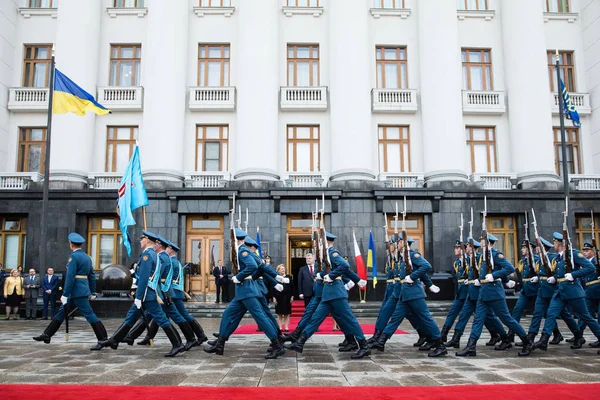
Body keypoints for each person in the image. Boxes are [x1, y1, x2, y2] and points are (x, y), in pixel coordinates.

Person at [99, 231, 185, 357]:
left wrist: (139, 297)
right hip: (146, 293)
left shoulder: (148, 255)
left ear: (147, 240)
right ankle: (114, 340)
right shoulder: (151, 254)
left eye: (142, 239)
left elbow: (144, 277)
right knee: (131, 316)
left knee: (160, 318)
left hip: (147, 294)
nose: (140, 241)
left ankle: (177, 344)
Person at [204, 229, 285, 359]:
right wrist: (277, 278)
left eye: (232, 240)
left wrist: (239, 277)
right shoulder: (243, 252)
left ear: (236, 240)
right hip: (243, 291)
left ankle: (277, 345)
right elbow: (262, 266)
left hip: (247, 291)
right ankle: (220, 344)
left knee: (261, 318)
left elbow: (253, 267)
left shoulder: (242, 251)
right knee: (228, 314)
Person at [288, 232, 371, 359]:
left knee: (349, 319)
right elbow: (344, 270)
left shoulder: (332, 253)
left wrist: (332, 276)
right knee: (315, 318)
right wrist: (357, 280)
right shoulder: (324, 255)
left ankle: (364, 346)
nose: (317, 244)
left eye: (319, 241)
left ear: (325, 242)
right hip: (327, 294)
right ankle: (300, 342)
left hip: (336, 293)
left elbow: (345, 266)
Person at [456, 233, 533, 357]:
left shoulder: (496, 254)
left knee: (507, 319)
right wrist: (479, 280)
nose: (480, 242)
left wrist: (494, 275)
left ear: (487, 242)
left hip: (494, 293)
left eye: (481, 240)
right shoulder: (483, 257)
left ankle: (527, 341)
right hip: (483, 293)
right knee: (478, 320)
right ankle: (471, 346)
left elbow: (509, 268)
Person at [33, 233, 109, 350]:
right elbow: (92, 276)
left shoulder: (73, 257)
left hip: (76, 292)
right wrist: (93, 291)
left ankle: (103, 339)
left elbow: (70, 277)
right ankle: (47, 335)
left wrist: (65, 294)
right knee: (61, 313)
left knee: (89, 315)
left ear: (71, 244)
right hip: (81, 290)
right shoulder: (87, 257)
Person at [532, 232, 600, 352]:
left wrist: (573, 274)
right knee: (551, 314)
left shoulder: (573, 254)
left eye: (555, 242)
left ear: (560, 243)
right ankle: (544, 340)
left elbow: (590, 268)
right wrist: (554, 278)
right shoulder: (559, 257)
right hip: (560, 291)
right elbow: (559, 273)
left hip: (573, 291)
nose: (553, 244)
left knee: (586, 317)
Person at [578, 242, 600, 348]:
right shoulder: (585, 264)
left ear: (593, 251)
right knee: (584, 313)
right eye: (584, 250)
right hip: (588, 291)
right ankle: (579, 334)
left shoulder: (598, 262)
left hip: (598, 290)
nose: (585, 252)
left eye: (587, 250)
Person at [273, 264, 293, 332]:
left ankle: (286, 327)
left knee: (287, 313)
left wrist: (292, 296)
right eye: (281, 269)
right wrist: (274, 297)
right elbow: (273, 288)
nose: (283, 270)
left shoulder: (289, 277)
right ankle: (280, 327)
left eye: (284, 269)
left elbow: (292, 287)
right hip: (279, 297)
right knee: (279, 313)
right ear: (278, 270)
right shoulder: (276, 278)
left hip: (287, 297)